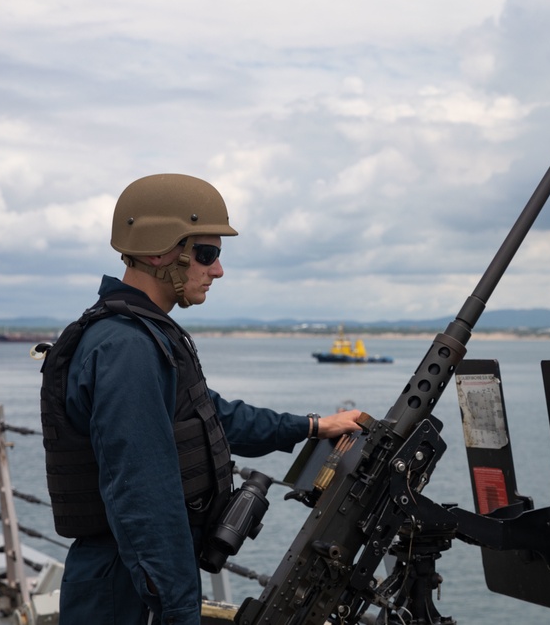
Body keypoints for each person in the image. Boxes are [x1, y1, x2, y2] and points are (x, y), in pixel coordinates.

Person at [39, 173, 364, 625]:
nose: (218, 269)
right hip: (126, 589)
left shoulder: (144, 336)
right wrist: (177, 611)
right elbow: (143, 498)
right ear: (159, 251)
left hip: (135, 578)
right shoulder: (126, 348)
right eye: (207, 254)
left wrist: (311, 426)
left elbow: (212, 415)